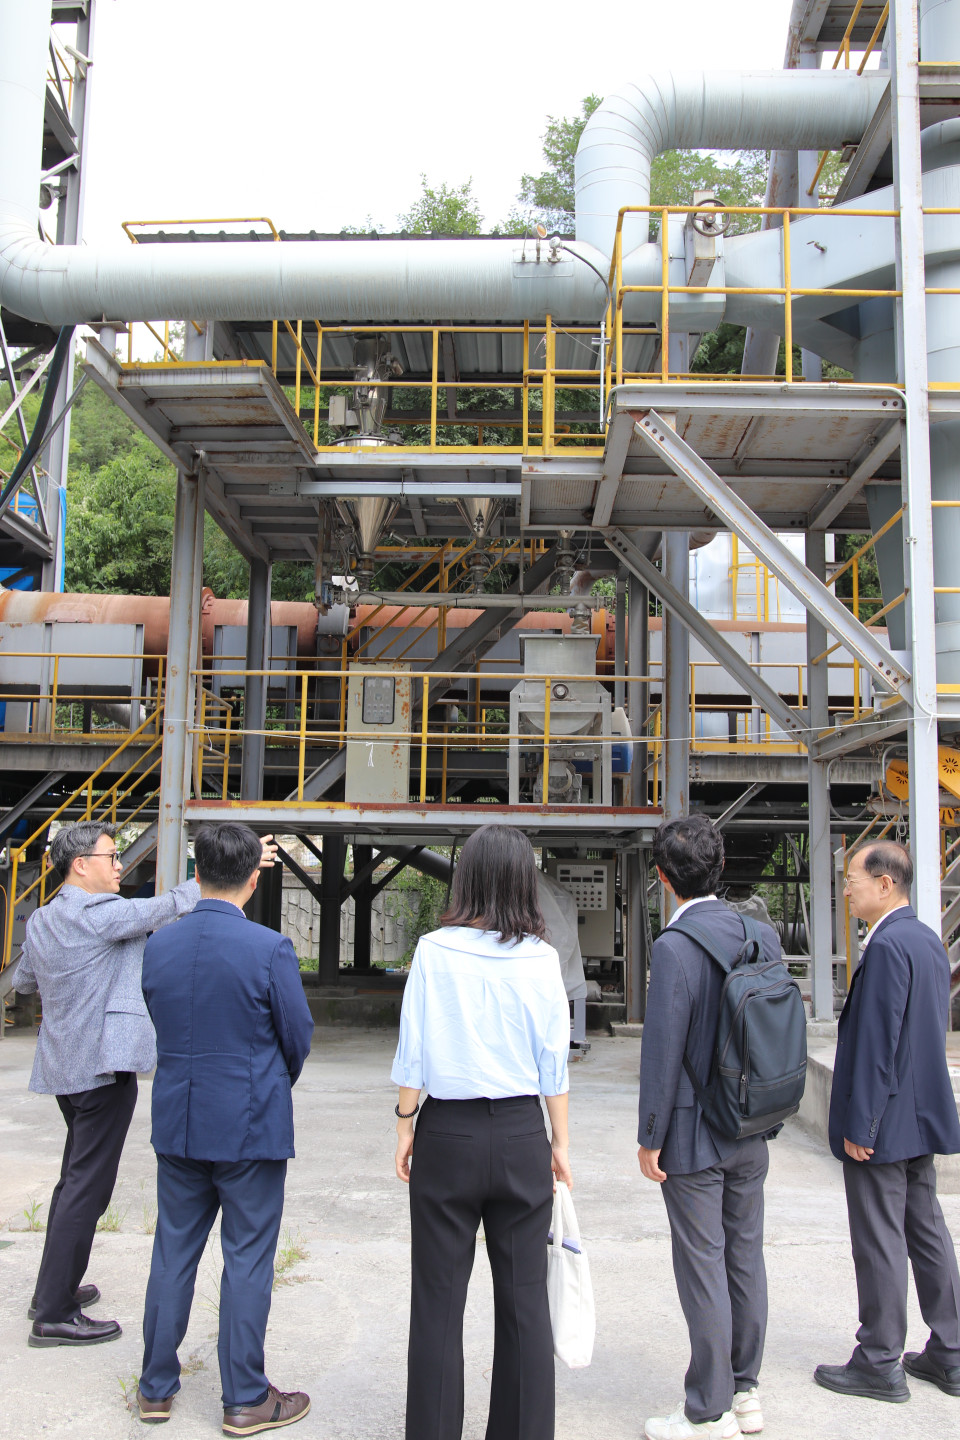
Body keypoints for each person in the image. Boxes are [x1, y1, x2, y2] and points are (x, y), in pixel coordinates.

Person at [16, 820, 233, 1347]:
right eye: (111, 857)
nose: (119, 866)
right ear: (80, 865)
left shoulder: (43, 918)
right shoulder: (98, 914)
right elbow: (164, 908)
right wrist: (214, 872)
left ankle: (52, 1290)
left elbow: (23, 980)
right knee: (87, 1188)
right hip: (101, 1067)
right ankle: (54, 1313)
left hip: (65, 1066)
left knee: (73, 1180)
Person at [391, 824, 572, 1440]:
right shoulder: (542, 958)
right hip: (521, 1132)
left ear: (464, 877)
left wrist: (405, 1126)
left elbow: (414, 1050)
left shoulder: (433, 951)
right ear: (524, 882)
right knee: (525, 1303)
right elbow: (554, 1064)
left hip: (447, 1132)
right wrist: (559, 1144)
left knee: (437, 1303)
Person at [136, 822, 315, 1435]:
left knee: (173, 1251)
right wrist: (267, 1081)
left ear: (198, 872)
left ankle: (154, 1389)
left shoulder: (159, 945)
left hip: (179, 1119)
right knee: (247, 1258)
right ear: (254, 877)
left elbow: (162, 1018)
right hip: (249, 1125)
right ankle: (244, 1398)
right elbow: (297, 1036)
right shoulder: (268, 948)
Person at [637, 814, 778, 1440]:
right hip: (752, 1122)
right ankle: (746, 1392)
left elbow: (662, 1052)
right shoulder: (759, 933)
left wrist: (650, 1136)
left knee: (703, 1266)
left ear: (664, 878)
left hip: (695, 1135)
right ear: (719, 868)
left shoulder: (675, 947)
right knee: (745, 1257)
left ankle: (708, 1408)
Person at [814, 839, 960, 1403]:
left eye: (852, 878)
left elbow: (878, 1044)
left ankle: (879, 1360)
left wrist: (863, 1125)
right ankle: (950, 1353)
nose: (846, 889)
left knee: (878, 1239)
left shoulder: (885, 946)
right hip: (920, 1118)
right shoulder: (925, 940)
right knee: (927, 1231)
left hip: (884, 1122)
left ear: (884, 883)